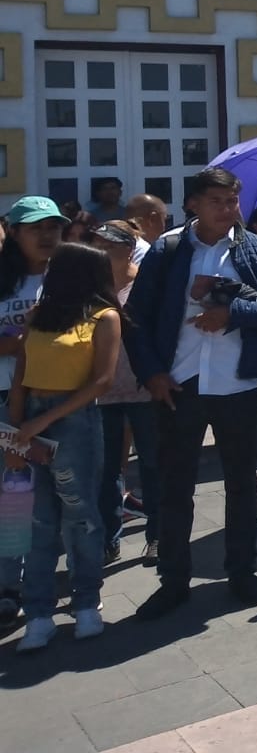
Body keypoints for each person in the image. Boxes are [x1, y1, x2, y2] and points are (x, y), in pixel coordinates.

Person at [125, 167, 257, 619]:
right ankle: (173, 580)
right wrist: (152, 373)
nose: (228, 209)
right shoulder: (167, 250)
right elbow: (135, 318)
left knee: (242, 481)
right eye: (218, 201)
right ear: (193, 205)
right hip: (179, 383)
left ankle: (241, 572)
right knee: (174, 485)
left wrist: (232, 313)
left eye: (233, 200)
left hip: (236, 383)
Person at [7, 243, 122, 652]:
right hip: (32, 415)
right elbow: (20, 375)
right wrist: (14, 431)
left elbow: (102, 381)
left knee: (80, 515)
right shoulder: (39, 317)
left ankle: (86, 602)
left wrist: (43, 421)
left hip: (74, 420)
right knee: (35, 521)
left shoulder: (104, 318)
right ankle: (39, 612)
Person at [0, 197, 68, 625]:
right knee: (13, 497)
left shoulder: (70, 278)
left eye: (53, 227)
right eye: (35, 227)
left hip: (61, 399)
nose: (46, 236)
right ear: (14, 232)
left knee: (61, 497)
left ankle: (55, 579)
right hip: (7, 401)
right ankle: (9, 586)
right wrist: (27, 338)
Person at [89, 221, 161, 567]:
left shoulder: (145, 284)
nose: (100, 253)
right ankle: (108, 539)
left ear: (128, 249)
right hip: (102, 392)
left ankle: (158, 534)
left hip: (143, 388)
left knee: (152, 462)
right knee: (106, 469)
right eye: (97, 246)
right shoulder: (89, 288)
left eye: (108, 247)